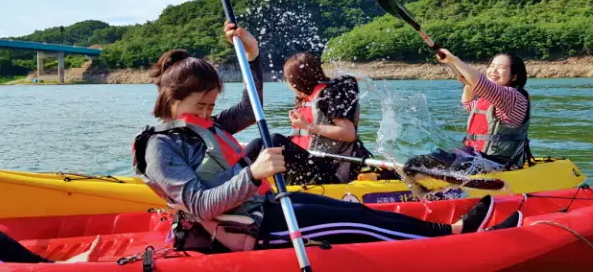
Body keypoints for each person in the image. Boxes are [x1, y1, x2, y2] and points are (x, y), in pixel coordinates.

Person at [131, 22, 523, 254]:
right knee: (357, 228)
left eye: (210, 105)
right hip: (241, 233)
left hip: (258, 210)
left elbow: (251, 109)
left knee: (356, 212)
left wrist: (252, 56)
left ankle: (451, 233)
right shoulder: (161, 146)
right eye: (200, 106)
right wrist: (253, 175)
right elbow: (199, 204)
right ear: (171, 98)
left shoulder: (201, 127)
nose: (207, 114)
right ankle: (455, 241)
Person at [410, 50, 532, 173]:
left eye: (501, 68)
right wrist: (468, 84)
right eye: (492, 66)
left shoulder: (514, 97)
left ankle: (439, 188)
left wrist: (453, 59)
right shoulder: (490, 99)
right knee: (418, 162)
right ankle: (415, 186)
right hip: (473, 157)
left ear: (514, 76)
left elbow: (482, 84)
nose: (494, 71)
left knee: (457, 166)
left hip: (499, 163)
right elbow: (468, 104)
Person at [277, 52, 374, 185]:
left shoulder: (330, 95)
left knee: (275, 140)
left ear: (296, 81)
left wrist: (308, 127)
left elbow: (348, 133)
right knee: (263, 143)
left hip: (329, 172)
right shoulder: (305, 98)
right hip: (311, 164)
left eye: (287, 79)